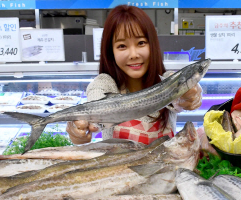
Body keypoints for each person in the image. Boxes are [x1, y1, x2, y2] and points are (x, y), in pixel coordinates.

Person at [66, 5, 202, 145]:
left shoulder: (166, 82)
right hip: (118, 167)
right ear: (110, 51)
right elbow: (96, 99)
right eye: (122, 46)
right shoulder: (105, 84)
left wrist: (192, 95)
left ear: (152, 45)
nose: (134, 55)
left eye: (141, 43)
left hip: (164, 166)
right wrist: (80, 128)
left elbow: (182, 90)